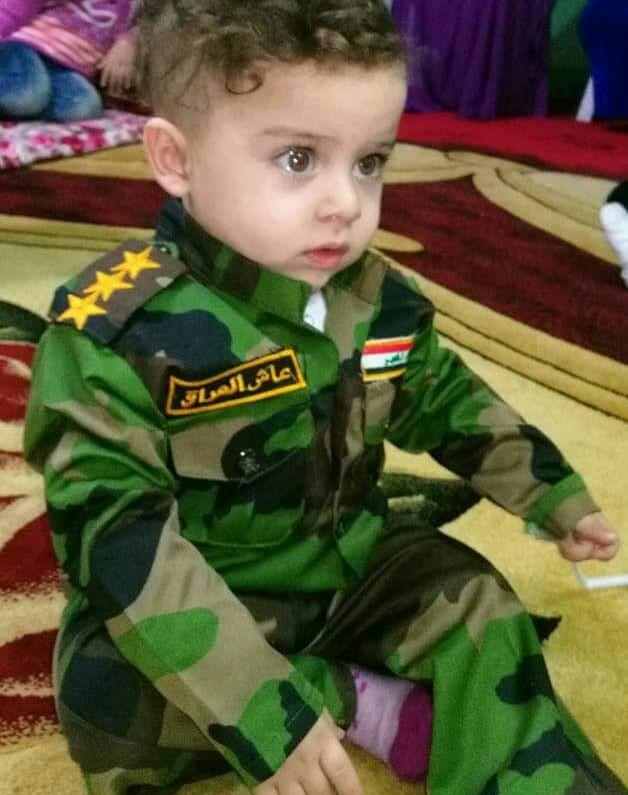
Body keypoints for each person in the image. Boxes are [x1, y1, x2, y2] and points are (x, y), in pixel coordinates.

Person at [23, 1, 626, 794]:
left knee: (480, 603)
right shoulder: (114, 334)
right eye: (299, 158)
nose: (345, 201)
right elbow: (119, 542)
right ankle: (349, 697)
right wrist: (261, 710)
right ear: (175, 158)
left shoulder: (376, 297)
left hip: (346, 563)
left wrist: (550, 491)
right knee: (107, 696)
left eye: (369, 162)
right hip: (210, 591)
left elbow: (445, 397)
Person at [0, 0, 137, 122]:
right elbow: (10, 12)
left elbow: (145, 25)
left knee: (86, 107)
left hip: (65, 69)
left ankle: (23, 104)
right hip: (26, 49)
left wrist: (128, 41)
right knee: (28, 95)